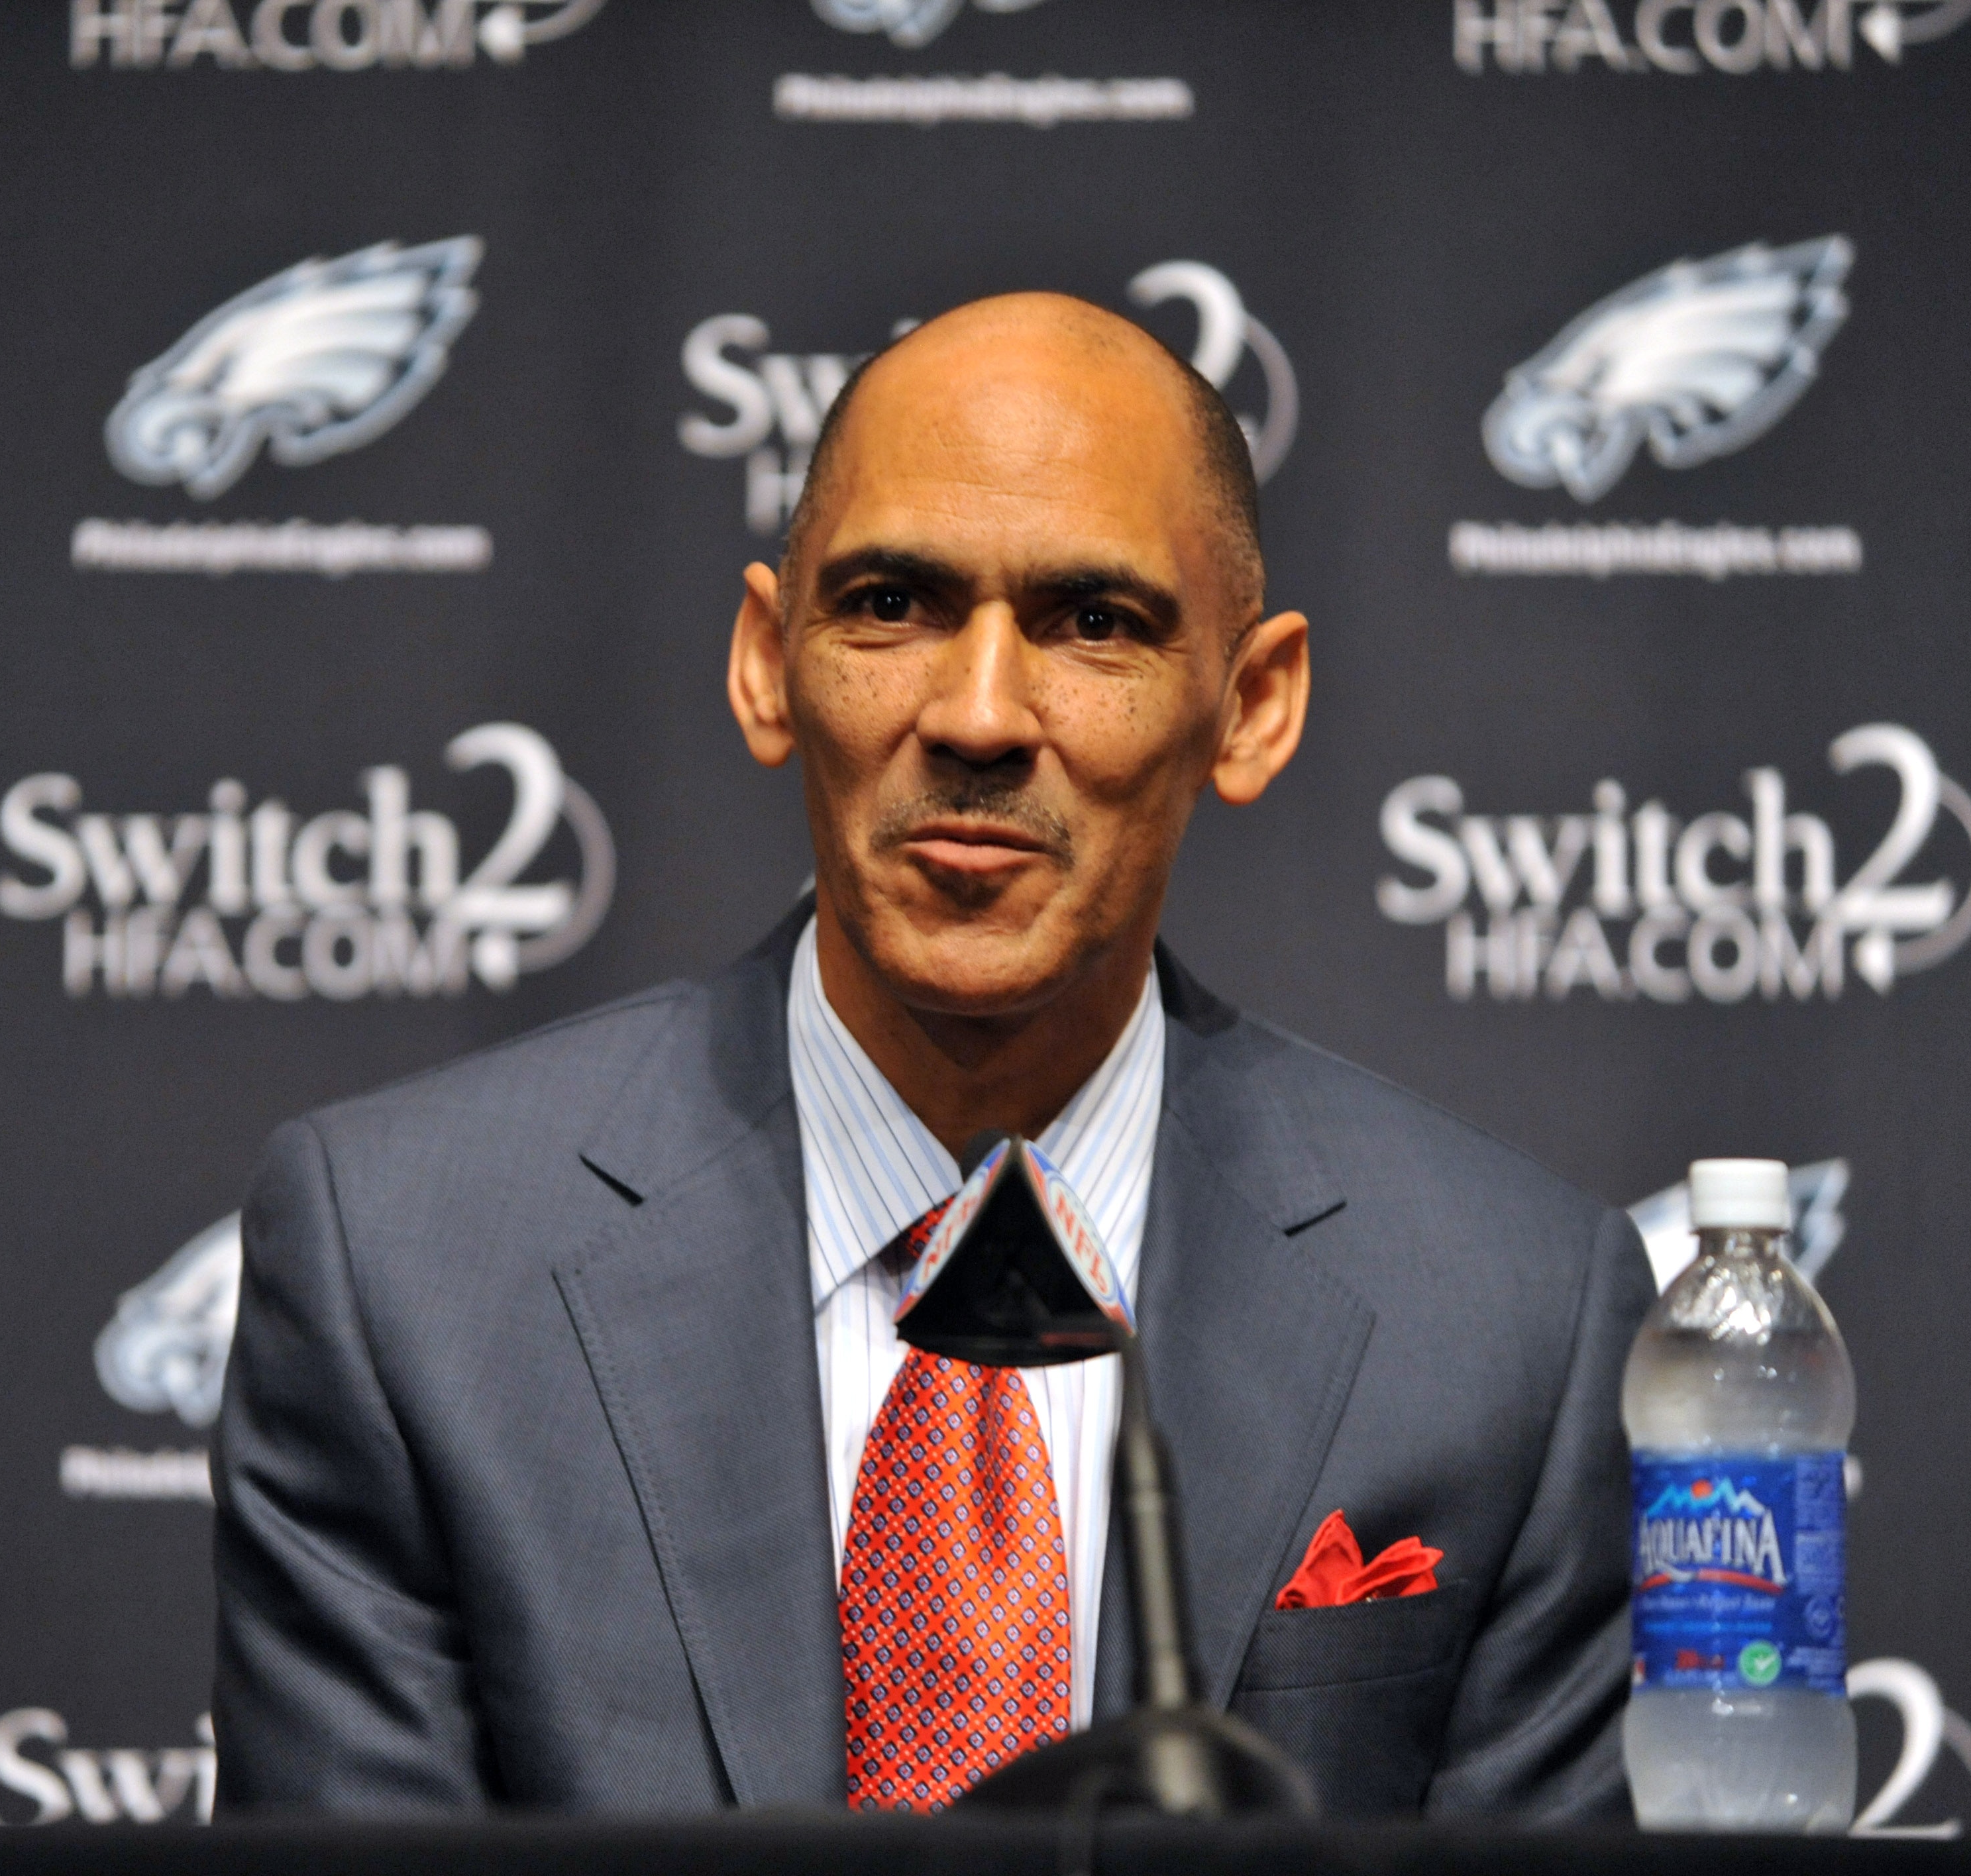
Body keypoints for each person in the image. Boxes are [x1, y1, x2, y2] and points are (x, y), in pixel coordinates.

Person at [212, 293, 1650, 1818]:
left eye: (1093, 622)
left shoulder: (1511, 1324)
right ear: (769, 660)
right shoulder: (405, 1274)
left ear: (1251, 705)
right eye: (891, 605)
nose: (975, 716)